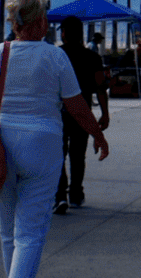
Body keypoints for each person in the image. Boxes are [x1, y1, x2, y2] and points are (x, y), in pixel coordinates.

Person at [0, 0, 108, 278]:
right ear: (40, 22)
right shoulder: (54, 56)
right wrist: (97, 134)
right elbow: (77, 106)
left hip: (0, 142)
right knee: (30, 234)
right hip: (41, 144)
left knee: (7, 230)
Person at [53, 17, 109, 214]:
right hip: (82, 113)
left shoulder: (55, 55)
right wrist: (105, 113)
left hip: (58, 113)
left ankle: (59, 194)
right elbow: (101, 88)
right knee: (78, 155)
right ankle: (76, 193)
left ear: (64, 33)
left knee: (57, 155)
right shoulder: (92, 58)